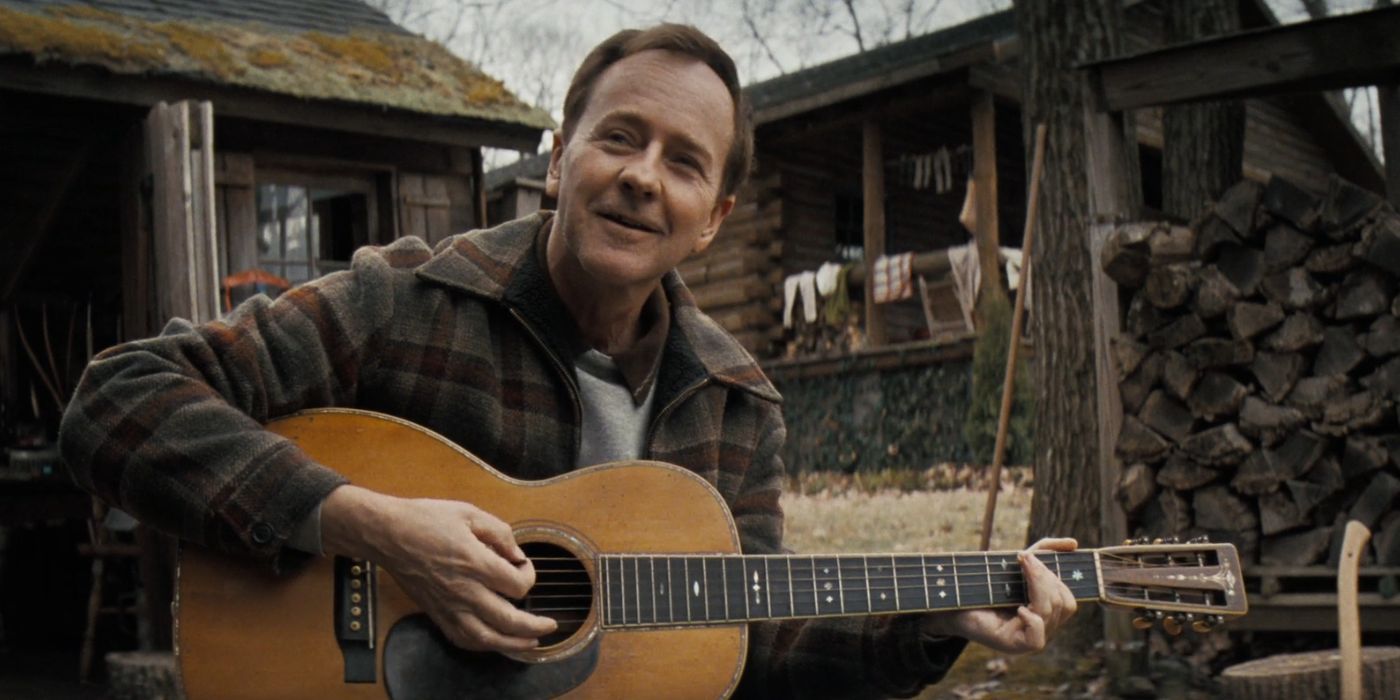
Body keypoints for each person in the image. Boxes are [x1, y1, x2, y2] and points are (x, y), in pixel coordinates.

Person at [60, 24, 1077, 698]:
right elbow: (117, 400)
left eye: (683, 162)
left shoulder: (733, 404)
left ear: (715, 218)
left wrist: (935, 619)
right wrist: (371, 524)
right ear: (558, 159)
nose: (643, 178)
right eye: (618, 140)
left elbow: (751, 646)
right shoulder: (404, 301)